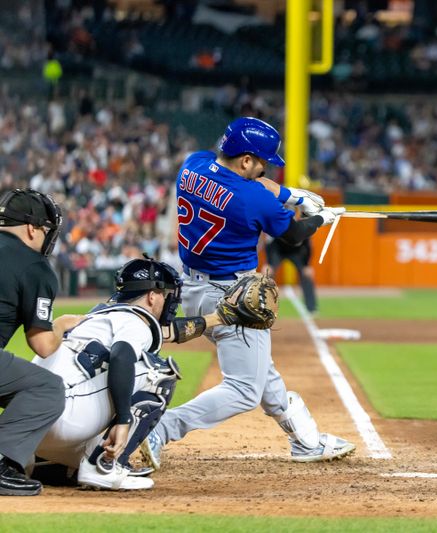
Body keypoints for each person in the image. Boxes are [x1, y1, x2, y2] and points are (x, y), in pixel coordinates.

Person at [140, 117, 353, 472]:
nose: (264, 169)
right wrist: (321, 218)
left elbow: (256, 188)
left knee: (259, 368)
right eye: (261, 163)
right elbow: (295, 234)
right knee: (243, 390)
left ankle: (305, 440)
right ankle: (159, 428)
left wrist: (292, 195)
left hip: (190, 286)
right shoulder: (252, 198)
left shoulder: (193, 164)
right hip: (232, 296)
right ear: (245, 160)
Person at [30, 257, 229, 490]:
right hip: (65, 421)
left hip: (31, 429)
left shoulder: (99, 317)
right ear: (152, 296)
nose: (168, 302)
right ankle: (104, 467)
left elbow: (169, 332)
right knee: (159, 373)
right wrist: (124, 420)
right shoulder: (135, 320)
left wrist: (218, 318)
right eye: (165, 295)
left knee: (104, 373)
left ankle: (46, 465)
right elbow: (122, 355)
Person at [0, 188, 82, 496]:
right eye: (47, 229)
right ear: (33, 228)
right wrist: (60, 324)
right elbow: (43, 344)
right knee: (45, 388)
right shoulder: (34, 266)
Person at [265, 234, 318, 314]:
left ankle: (312, 308)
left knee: (306, 275)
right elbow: (269, 244)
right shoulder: (278, 225)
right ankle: (265, 307)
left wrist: (306, 265)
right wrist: (269, 263)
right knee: (268, 274)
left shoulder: (301, 227)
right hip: (278, 251)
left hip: (296, 252)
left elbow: (308, 246)